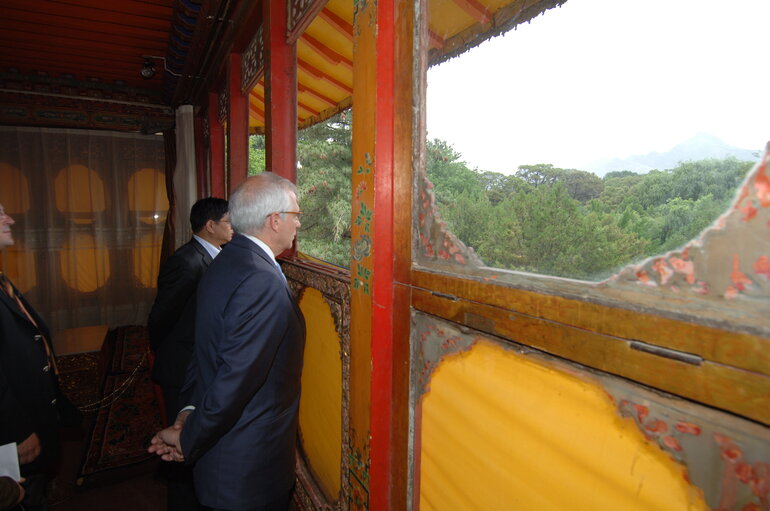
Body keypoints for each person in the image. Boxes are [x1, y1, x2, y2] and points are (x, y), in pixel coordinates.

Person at [149, 173, 306, 511]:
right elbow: (237, 379)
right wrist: (188, 437)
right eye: (296, 215)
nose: (299, 224)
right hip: (247, 464)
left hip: (223, 454)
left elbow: (205, 349)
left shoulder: (226, 260)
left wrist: (188, 413)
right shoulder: (259, 279)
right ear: (275, 220)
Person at [147, 197, 232, 511]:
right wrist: (167, 353)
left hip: (194, 362)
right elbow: (160, 318)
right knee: (178, 442)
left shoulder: (213, 256)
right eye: (229, 221)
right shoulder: (186, 262)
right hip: (181, 366)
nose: (234, 228)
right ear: (211, 226)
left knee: (193, 438)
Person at [0, 203, 78, 511]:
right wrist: (17, 432)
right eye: (0, 214)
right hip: (13, 437)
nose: (11, 219)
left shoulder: (3, 279)